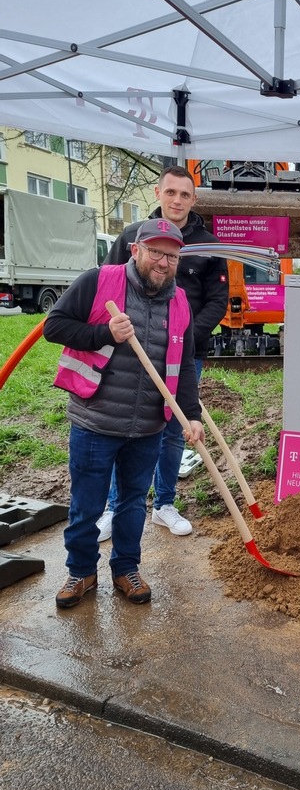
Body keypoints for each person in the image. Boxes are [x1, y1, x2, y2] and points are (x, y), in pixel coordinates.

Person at [45, 217, 205, 608]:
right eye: (155, 252)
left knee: (133, 503)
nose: (163, 263)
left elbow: (184, 365)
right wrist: (104, 333)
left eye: (171, 255)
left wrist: (191, 414)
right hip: (95, 421)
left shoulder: (179, 301)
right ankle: (81, 572)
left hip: (148, 425)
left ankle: (125, 569)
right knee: (87, 505)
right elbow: (54, 326)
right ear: (136, 250)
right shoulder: (100, 281)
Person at [97, 165, 227, 539]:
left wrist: (181, 339)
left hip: (185, 353)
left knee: (175, 428)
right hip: (132, 351)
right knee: (128, 426)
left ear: (194, 199)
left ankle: (165, 504)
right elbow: (108, 286)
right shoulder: (132, 236)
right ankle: (113, 507)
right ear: (158, 193)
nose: (177, 200)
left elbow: (217, 302)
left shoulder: (209, 244)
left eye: (185, 194)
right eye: (171, 192)